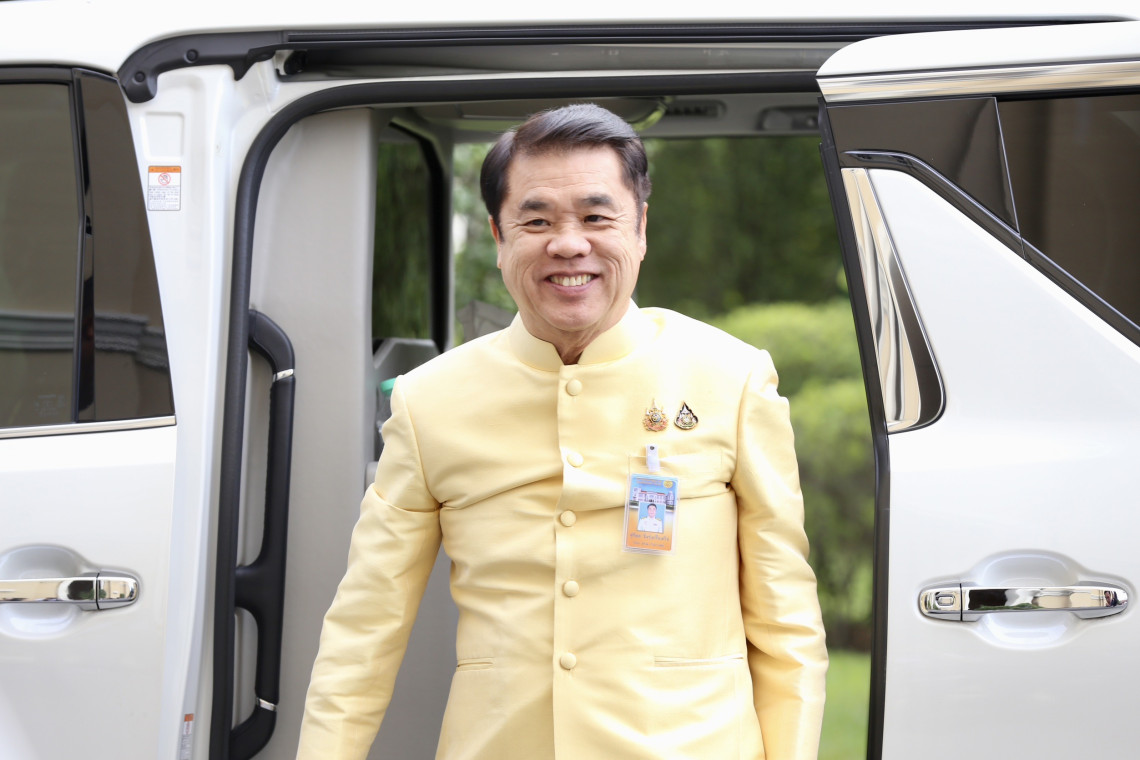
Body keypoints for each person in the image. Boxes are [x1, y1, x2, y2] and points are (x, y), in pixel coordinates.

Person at [297, 103, 827, 760]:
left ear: (640, 228)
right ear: (499, 236)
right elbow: (365, 626)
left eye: (597, 217)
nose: (569, 244)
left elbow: (786, 623)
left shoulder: (732, 378)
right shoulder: (429, 400)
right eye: (538, 220)